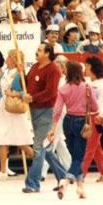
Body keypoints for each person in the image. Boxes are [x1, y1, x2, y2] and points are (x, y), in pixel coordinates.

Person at [23, 42, 72, 194]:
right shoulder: (34, 67)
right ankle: (63, 176)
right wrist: (21, 73)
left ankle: (32, 183)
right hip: (35, 111)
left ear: (47, 54)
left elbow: (51, 93)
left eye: (39, 50)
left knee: (38, 147)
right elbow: (27, 84)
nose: (36, 52)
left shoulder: (53, 70)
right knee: (46, 147)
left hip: (46, 112)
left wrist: (33, 98)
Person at [46, 60, 96, 200]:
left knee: (75, 155)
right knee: (79, 157)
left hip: (67, 121)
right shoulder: (87, 87)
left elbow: (57, 110)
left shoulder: (63, 89)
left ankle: (80, 188)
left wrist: (53, 128)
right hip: (81, 122)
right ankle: (66, 181)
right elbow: (95, 108)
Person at [0, 48, 33, 180]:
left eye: (9, 56)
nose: (7, 58)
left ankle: (41, 162)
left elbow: (25, 91)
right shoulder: (5, 71)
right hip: (4, 107)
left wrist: (13, 93)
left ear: (14, 59)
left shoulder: (20, 73)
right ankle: (3, 171)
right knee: (2, 138)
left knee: (21, 140)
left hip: (15, 107)